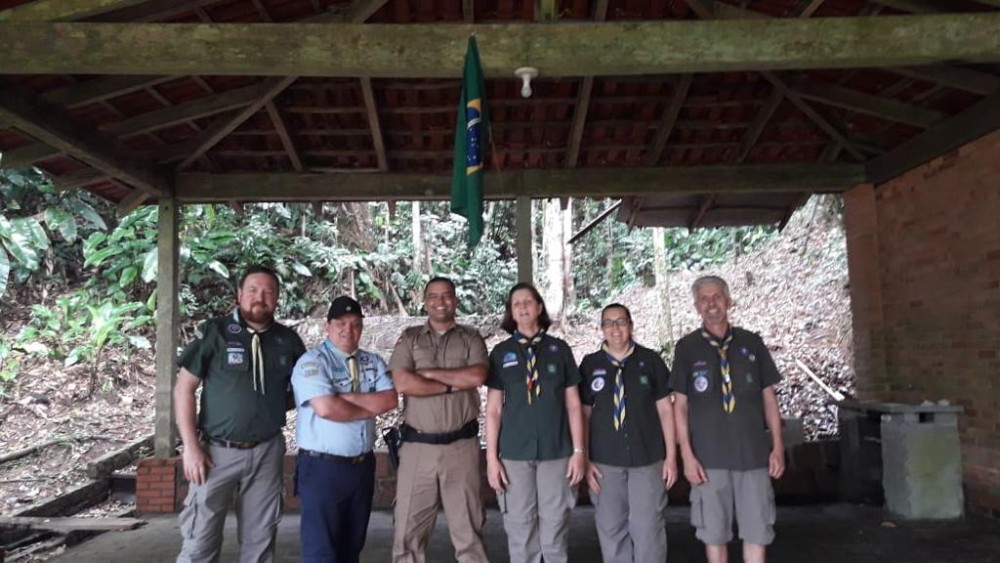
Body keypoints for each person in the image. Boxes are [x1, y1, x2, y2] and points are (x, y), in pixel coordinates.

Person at [174, 265, 306, 563]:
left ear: (277, 299)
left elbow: (303, 391)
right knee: (200, 541)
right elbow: (184, 389)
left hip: (267, 452)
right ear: (239, 295)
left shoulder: (288, 341)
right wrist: (190, 447)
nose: (260, 298)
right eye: (253, 291)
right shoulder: (215, 332)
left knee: (260, 542)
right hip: (215, 453)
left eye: (269, 292)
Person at [670, 275, 785, 563]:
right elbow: (679, 407)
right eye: (705, 298)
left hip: (753, 457)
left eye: (717, 296)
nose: (712, 303)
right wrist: (687, 455)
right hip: (708, 460)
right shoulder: (687, 348)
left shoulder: (751, 343)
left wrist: (778, 447)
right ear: (697, 306)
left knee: (757, 532)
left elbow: (769, 397)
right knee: (714, 534)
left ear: (728, 301)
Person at [390, 276, 490, 563]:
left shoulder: (470, 337)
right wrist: (451, 384)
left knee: (469, 532)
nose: (440, 301)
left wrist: (429, 375)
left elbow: (477, 376)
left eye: (446, 296)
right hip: (417, 448)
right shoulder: (410, 338)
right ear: (424, 302)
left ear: (455, 301)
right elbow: (402, 382)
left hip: (461, 447)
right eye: (433, 296)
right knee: (407, 533)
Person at [291, 295, 398, 563]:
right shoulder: (312, 362)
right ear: (328, 326)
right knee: (321, 550)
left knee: (352, 547)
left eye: (355, 324)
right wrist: (368, 405)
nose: (348, 329)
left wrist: (343, 397)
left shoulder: (372, 361)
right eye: (340, 322)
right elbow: (327, 408)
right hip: (322, 470)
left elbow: (389, 400)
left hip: (361, 468)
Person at [485, 282, 586, 563]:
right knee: (520, 528)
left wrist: (579, 452)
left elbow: (574, 404)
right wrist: (492, 459)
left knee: (555, 528)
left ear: (539, 307)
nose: (523, 307)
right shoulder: (501, 353)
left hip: (557, 452)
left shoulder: (559, 349)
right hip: (515, 454)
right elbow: (493, 410)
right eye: (516, 303)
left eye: (528, 301)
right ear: (511, 313)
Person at [579, 303, 677, 563]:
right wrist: (585, 458)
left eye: (621, 321)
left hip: (647, 459)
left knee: (648, 527)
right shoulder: (590, 365)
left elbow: (667, 411)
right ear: (601, 329)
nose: (615, 328)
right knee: (611, 528)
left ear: (631, 325)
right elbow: (583, 415)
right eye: (609, 323)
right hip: (604, 462)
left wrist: (671, 457)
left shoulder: (651, 361)